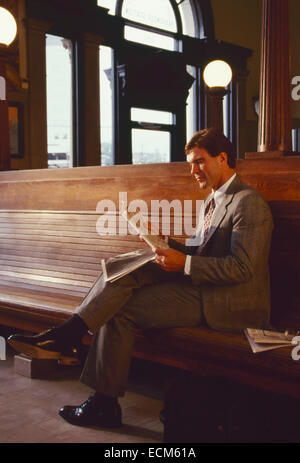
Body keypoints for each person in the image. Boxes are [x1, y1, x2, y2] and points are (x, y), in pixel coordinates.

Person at [8, 127, 274, 429]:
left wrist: (184, 263)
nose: (193, 170)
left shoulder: (247, 202)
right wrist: (165, 243)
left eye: (199, 161)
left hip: (230, 304)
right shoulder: (212, 200)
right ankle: (75, 347)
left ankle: (85, 370)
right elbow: (201, 249)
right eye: (190, 163)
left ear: (222, 158)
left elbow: (243, 268)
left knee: (118, 310)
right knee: (129, 266)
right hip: (204, 290)